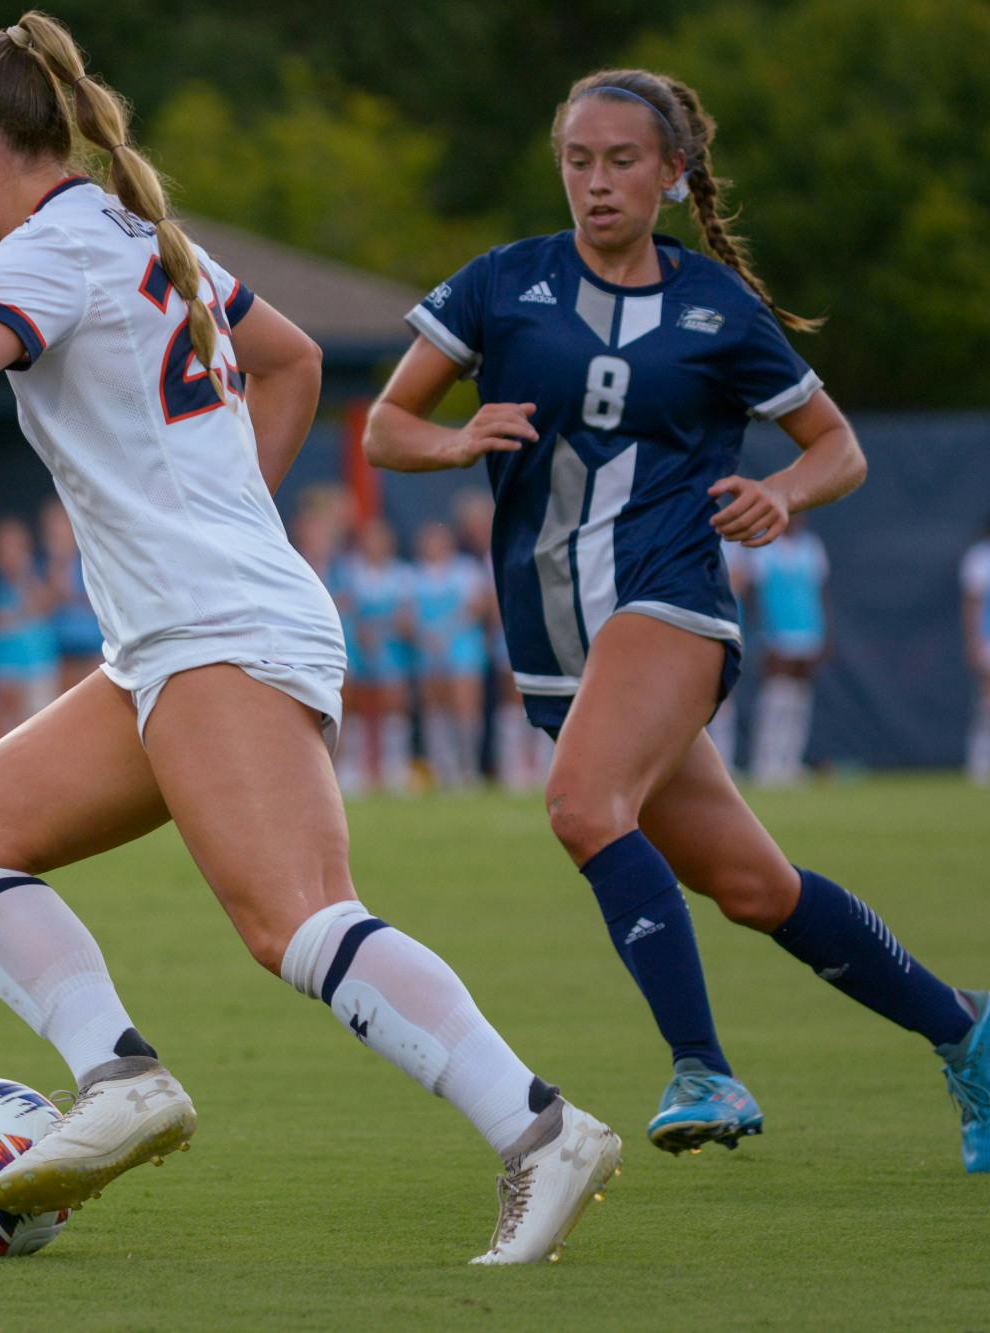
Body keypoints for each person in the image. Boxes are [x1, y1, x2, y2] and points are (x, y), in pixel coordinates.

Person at [0, 12, 622, 1263]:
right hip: (183, 630)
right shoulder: (127, 231)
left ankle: (537, 1128)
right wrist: (229, 517)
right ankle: (119, 1076)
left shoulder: (56, 247)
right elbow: (293, 360)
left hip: (213, 626)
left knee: (297, 923)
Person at [364, 69, 987, 1169]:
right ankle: (966, 1030)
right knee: (755, 889)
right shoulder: (500, 284)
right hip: (553, 634)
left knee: (579, 804)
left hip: (669, 596)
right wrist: (454, 442)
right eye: (575, 160)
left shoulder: (715, 308)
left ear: (670, 174)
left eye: (618, 162)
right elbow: (382, 429)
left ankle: (699, 1064)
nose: (594, 183)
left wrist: (780, 493)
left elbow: (834, 446)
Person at [453, 490, 547, 789]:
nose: (478, 532)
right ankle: (514, 767)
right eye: (472, 527)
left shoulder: (514, 547)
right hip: (502, 638)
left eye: (481, 524)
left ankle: (539, 765)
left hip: (525, 632)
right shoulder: (476, 561)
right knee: (511, 699)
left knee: (530, 696)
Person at [739, 513, 828, 785]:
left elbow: (819, 593)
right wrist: (763, 634)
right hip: (777, 634)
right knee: (775, 697)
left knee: (799, 699)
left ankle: (790, 762)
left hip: (809, 632)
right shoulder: (763, 547)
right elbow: (753, 594)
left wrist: (823, 634)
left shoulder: (811, 547)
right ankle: (766, 763)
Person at [410, 519, 491, 789]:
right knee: (435, 707)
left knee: (466, 706)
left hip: (462, 648)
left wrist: (446, 630)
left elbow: (478, 606)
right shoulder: (415, 575)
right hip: (429, 650)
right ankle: (442, 769)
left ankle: (467, 769)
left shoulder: (465, 570)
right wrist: (425, 635)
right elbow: (405, 615)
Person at [338, 518, 415, 794]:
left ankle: (394, 768)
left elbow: (407, 618)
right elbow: (343, 606)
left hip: (391, 650)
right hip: (357, 649)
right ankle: (354, 769)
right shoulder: (350, 571)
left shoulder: (402, 575)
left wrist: (384, 630)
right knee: (354, 705)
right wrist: (359, 631)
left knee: (393, 705)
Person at [0, 514, 61, 739]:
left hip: (38, 661)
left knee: (43, 723)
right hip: (4, 663)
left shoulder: (39, 570)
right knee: (8, 727)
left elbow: (47, 605)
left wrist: (24, 576)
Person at [39, 496, 103, 693]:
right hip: (57, 657)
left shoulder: (93, 560)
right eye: (53, 525)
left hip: (96, 654)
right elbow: (39, 606)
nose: (58, 531)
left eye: (63, 523)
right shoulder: (41, 564)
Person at [965, 519, 990, 786]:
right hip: (988, 638)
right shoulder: (981, 558)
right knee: (987, 702)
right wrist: (974, 641)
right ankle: (981, 762)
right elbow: (971, 603)